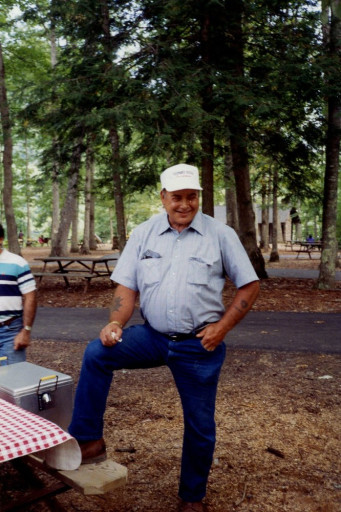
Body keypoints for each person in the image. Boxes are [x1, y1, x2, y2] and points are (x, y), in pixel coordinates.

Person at [68, 163, 260, 512]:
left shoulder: (221, 235)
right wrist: (115, 322)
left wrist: (222, 327)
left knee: (200, 424)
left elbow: (250, 284)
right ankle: (88, 440)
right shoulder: (144, 233)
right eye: (176, 197)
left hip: (198, 345)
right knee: (97, 353)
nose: (184, 204)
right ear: (163, 197)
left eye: (191, 197)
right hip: (153, 336)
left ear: (198, 196)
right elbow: (126, 286)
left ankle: (191, 498)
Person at [0, 224, 37, 365]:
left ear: (1, 239)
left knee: (12, 379)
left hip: (9, 331)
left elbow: (31, 296)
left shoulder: (17, 263)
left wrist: (26, 331)